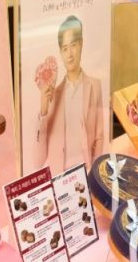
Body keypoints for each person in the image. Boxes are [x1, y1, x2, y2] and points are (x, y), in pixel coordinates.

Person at [33, 15, 104, 173]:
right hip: (60, 177)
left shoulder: (95, 86)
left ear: (81, 44)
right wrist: (43, 109)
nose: (70, 54)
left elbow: (99, 137)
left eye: (73, 45)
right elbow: (38, 160)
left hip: (87, 173)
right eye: (65, 48)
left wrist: (94, 171)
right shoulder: (54, 95)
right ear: (60, 52)